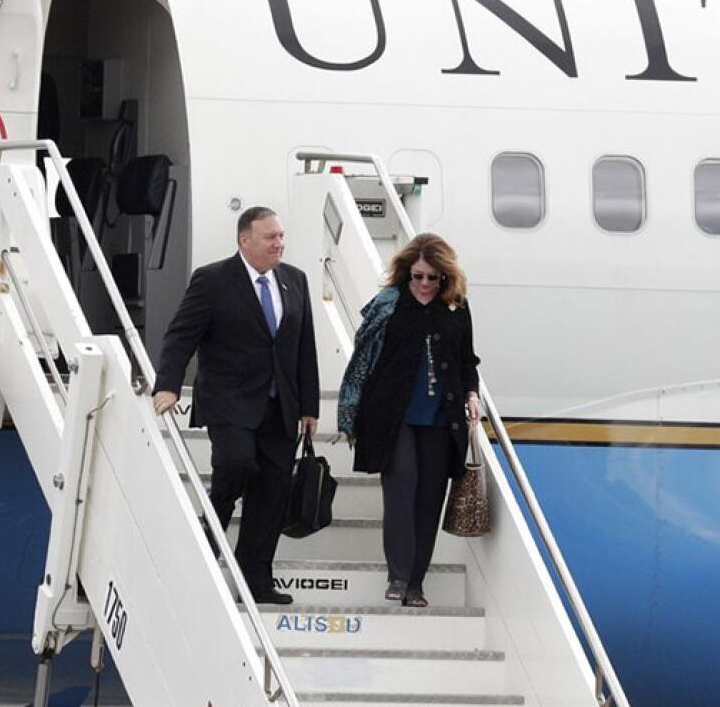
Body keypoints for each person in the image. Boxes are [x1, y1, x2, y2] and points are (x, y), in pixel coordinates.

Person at [153, 206, 319, 605]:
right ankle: (216, 515)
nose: (279, 243)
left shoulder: (295, 280)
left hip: (281, 407)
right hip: (229, 401)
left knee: (272, 492)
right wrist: (169, 385)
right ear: (245, 241)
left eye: (281, 236)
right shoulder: (212, 280)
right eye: (270, 237)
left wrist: (309, 405)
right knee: (237, 464)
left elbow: (303, 348)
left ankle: (255, 581)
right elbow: (180, 336)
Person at [338, 233, 481, 608]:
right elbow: (362, 361)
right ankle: (398, 576)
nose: (424, 284)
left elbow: (468, 359)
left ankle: (416, 583)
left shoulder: (456, 307)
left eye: (433, 278)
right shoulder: (389, 304)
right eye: (417, 276)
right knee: (401, 491)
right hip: (392, 415)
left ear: (445, 277)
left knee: (429, 499)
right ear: (406, 272)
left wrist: (472, 393)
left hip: (440, 418)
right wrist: (350, 415)